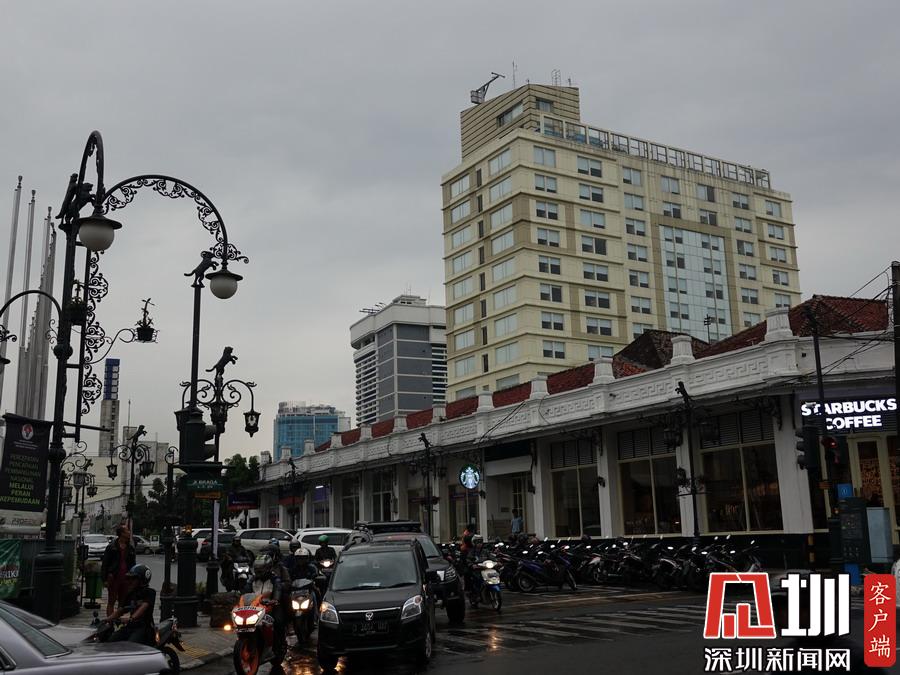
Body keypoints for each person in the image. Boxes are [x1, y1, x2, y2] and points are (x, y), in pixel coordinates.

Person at [107, 564, 156, 645]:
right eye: (129, 578)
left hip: (144, 628)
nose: (130, 581)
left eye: (133, 579)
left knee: (130, 646)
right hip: (130, 626)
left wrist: (131, 618)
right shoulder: (131, 593)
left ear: (142, 580)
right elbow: (121, 610)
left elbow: (143, 607)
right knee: (111, 641)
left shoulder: (150, 592)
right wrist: (107, 619)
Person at [251, 553, 286, 657]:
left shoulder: (275, 579)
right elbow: (245, 591)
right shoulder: (252, 579)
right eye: (257, 569)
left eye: (261, 569)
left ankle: (278, 645)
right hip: (254, 607)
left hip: (271, 607)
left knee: (278, 622)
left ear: (268, 568)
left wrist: (275, 600)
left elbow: (278, 590)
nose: (258, 571)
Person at [101, 525, 136, 617]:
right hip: (114, 577)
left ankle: (117, 619)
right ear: (122, 533)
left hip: (126, 577)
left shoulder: (130, 548)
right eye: (127, 531)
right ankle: (110, 621)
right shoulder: (112, 547)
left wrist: (133, 579)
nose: (129, 532)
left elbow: (133, 564)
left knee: (122, 602)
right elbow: (105, 563)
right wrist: (104, 579)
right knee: (111, 600)